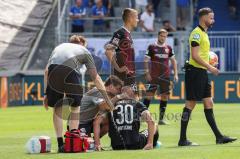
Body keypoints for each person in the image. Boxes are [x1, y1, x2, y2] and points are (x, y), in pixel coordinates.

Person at [43, 35, 114, 152]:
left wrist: (46, 94)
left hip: (53, 69)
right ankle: (72, 142)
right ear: (83, 45)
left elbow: (46, 71)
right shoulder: (85, 51)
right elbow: (96, 78)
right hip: (71, 69)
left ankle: (60, 144)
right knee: (75, 107)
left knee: (57, 108)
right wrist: (107, 98)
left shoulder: (60, 47)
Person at [178, 8, 237, 146]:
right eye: (211, 17)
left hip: (202, 72)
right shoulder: (196, 34)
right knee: (190, 104)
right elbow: (195, 55)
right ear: (203, 17)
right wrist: (211, 67)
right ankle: (182, 139)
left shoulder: (204, 34)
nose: (213, 20)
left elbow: (202, 54)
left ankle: (219, 137)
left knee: (209, 102)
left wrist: (209, 63)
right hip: (195, 72)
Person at [143, 29, 178, 125]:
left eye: (165, 36)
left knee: (165, 97)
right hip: (153, 76)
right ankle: (142, 117)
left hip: (165, 77)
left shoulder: (169, 48)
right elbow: (146, 60)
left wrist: (175, 74)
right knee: (149, 96)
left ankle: (161, 119)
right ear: (158, 36)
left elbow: (173, 61)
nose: (163, 38)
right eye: (162, 36)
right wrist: (147, 73)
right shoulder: (151, 47)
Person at [105, 8, 139, 86]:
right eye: (136, 17)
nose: (138, 20)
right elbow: (108, 52)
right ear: (130, 18)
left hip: (130, 77)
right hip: (123, 78)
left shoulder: (128, 34)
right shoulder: (120, 33)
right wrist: (118, 69)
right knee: (125, 97)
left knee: (134, 98)